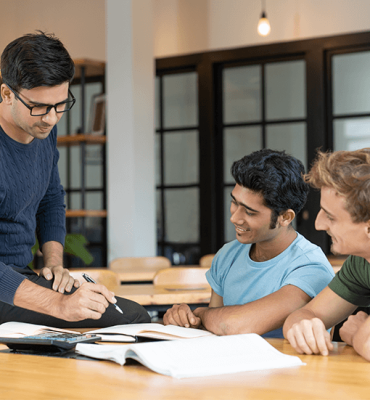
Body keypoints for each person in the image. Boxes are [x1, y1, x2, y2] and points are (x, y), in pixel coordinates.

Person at [0, 31, 150, 327]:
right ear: (6, 94)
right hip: (6, 287)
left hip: (20, 277)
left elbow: (51, 197)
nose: (52, 118)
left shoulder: (42, 128)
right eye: (39, 106)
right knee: (130, 320)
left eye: (60, 105)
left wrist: (54, 262)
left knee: (131, 317)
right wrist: (59, 304)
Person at [163, 149, 334, 337]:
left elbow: (234, 326)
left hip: (291, 366)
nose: (235, 218)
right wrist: (185, 320)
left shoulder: (310, 266)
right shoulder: (228, 254)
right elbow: (214, 333)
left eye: (250, 212)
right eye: (234, 202)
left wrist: (201, 314)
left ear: (285, 217)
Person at [283, 148, 370, 360]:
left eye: (330, 217)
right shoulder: (361, 263)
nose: (318, 224)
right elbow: (303, 316)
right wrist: (303, 327)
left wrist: (356, 333)